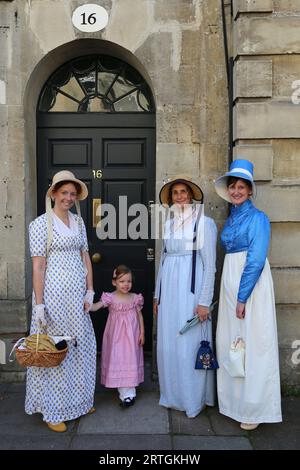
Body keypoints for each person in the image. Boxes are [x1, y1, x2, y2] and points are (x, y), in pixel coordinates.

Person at [25, 170, 97, 432]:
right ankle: (53, 410)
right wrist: (40, 304)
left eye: (72, 193)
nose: (68, 197)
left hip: (76, 297)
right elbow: (38, 267)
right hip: (53, 298)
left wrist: (90, 290)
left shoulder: (78, 222)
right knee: (56, 351)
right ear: (54, 193)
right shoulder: (40, 225)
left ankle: (79, 401)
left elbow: (85, 257)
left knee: (81, 347)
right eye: (64, 192)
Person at [214, 159, 282, 430]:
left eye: (242, 187)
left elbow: (255, 259)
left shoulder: (258, 218)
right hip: (230, 282)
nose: (236, 191)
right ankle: (234, 403)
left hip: (251, 286)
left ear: (250, 190)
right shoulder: (232, 218)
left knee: (253, 344)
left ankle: (254, 410)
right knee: (232, 343)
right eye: (233, 186)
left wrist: (242, 297)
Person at [153, 175, 217, 418]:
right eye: (175, 193)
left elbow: (210, 264)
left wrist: (204, 302)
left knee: (190, 342)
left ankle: (193, 398)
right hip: (170, 289)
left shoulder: (204, 224)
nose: (180, 196)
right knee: (171, 341)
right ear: (170, 198)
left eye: (184, 192)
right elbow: (163, 258)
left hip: (191, 290)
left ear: (191, 195)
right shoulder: (169, 224)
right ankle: (173, 394)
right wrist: (157, 294)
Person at [91, 265, 144, 407]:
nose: (126, 284)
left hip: (132, 337)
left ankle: (128, 394)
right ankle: (122, 388)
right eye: (122, 281)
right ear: (114, 282)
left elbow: (139, 316)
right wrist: (89, 305)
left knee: (129, 359)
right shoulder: (111, 297)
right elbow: (98, 306)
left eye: (129, 281)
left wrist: (142, 333)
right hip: (115, 338)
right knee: (118, 359)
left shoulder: (134, 298)